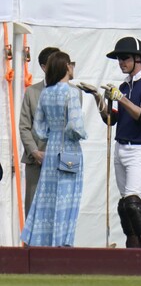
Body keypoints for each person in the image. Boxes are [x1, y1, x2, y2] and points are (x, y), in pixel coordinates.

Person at [77, 36, 141, 248]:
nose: (121, 63)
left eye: (124, 58)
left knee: (133, 203)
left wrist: (120, 98)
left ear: (137, 58)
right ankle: (132, 250)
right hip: (120, 147)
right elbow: (111, 119)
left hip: (139, 149)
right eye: (118, 59)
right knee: (125, 205)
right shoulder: (123, 86)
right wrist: (97, 96)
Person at [21, 51, 87, 247]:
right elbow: (76, 126)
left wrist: (52, 135)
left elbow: (39, 128)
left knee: (46, 199)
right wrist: (78, 134)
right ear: (66, 66)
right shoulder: (71, 92)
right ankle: (62, 242)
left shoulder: (46, 93)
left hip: (50, 150)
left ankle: (40, 242)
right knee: (67, 200)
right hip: (69, 148)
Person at [19, 47, 60, 218]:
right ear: (44, 67)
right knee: (34, 211)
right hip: (36, 161)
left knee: (59, 212)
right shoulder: (32, 92)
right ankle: (32, 245)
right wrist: (35, 152)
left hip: (62, 161)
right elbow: (24, 126)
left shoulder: (73, 93)